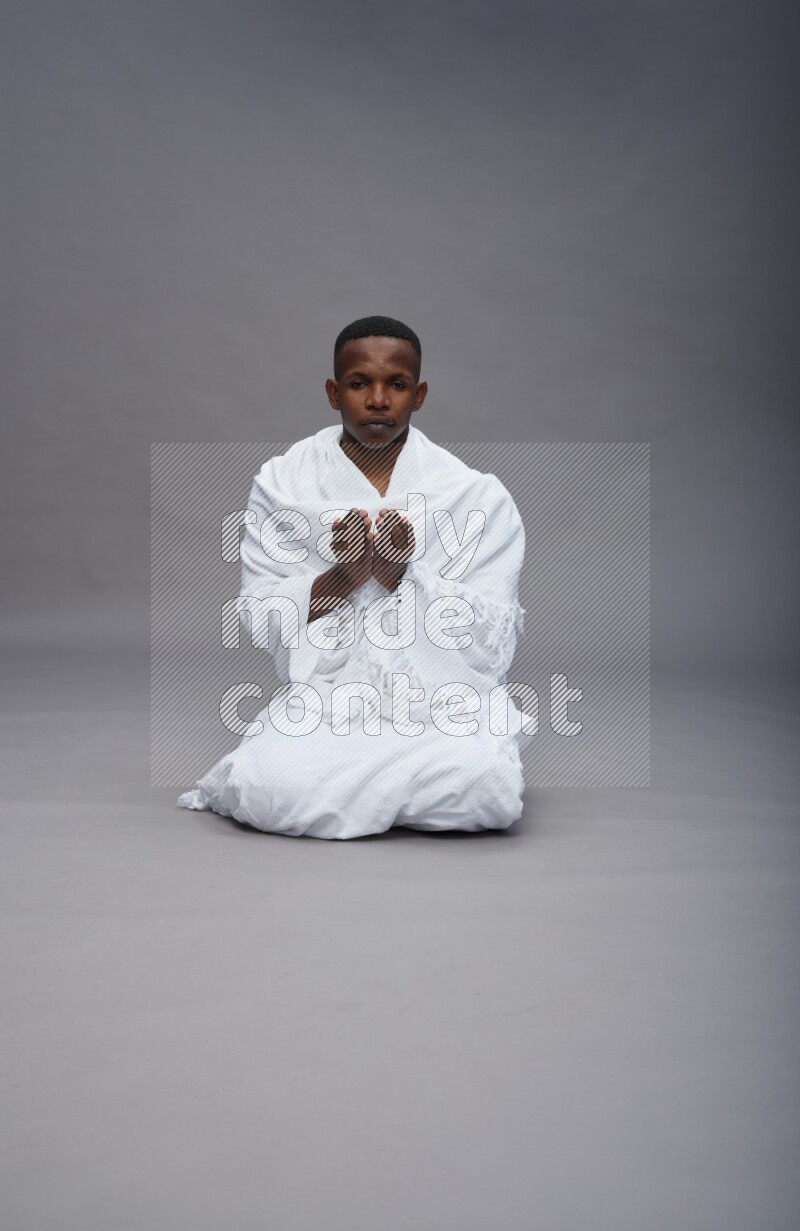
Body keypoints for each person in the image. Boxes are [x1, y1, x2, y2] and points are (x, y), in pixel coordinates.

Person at [177, 315, 533, 839]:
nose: (378, 400)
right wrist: (341, 578)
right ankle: (402, 789)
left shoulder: (475, 496)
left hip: (439, 704)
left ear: (420, 394)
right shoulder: (283, 484)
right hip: (331, 698)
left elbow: (491, 646)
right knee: (271, 790)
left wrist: (401, 576)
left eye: (397, 384)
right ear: (333, 392)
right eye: (359, 383)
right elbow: (260, 613)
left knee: (486, 791)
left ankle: (366, 786)